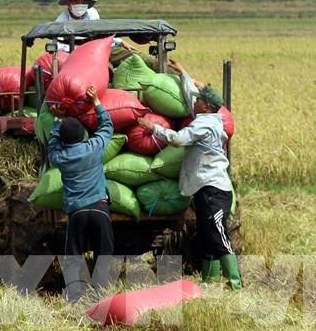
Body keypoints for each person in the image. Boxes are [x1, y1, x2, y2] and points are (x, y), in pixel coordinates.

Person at [137, 59, 242, 290]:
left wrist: (153, 127)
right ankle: (208, 282)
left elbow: (178, 139)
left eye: (199, 101)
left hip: (214, 188)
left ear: (206, 106)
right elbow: (191, 94)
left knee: (217, 233)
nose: (194, 102)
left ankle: (236, 283)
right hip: (203, 188)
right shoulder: (207, 117)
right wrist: (183, 72)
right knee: (206, 235)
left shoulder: (205, 125)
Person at [47, 84, 115, 301]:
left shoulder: (61, 158)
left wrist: (58, 121)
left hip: (77, 213)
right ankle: (101, 294)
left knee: (74, 257)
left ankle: (75, 296)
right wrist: (96, 102)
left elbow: (52, 147)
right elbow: (107, 127)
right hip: (99, 209)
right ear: (83, 135)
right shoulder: (94, 147)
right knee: (103, 254)